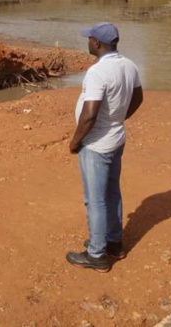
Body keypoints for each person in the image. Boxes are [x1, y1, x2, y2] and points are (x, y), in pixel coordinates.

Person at [66, 22, 143, 273]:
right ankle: (114, 242)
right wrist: (118, 119)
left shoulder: (98, 72)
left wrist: (76, 141)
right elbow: (138, 97)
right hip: (116, 139)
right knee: (111, 193)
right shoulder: (129, 65)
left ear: (97, 43)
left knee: (95, 200)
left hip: (96, 144)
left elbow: (89, 114)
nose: (87, 42)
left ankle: (97, 253)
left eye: (89, 38)